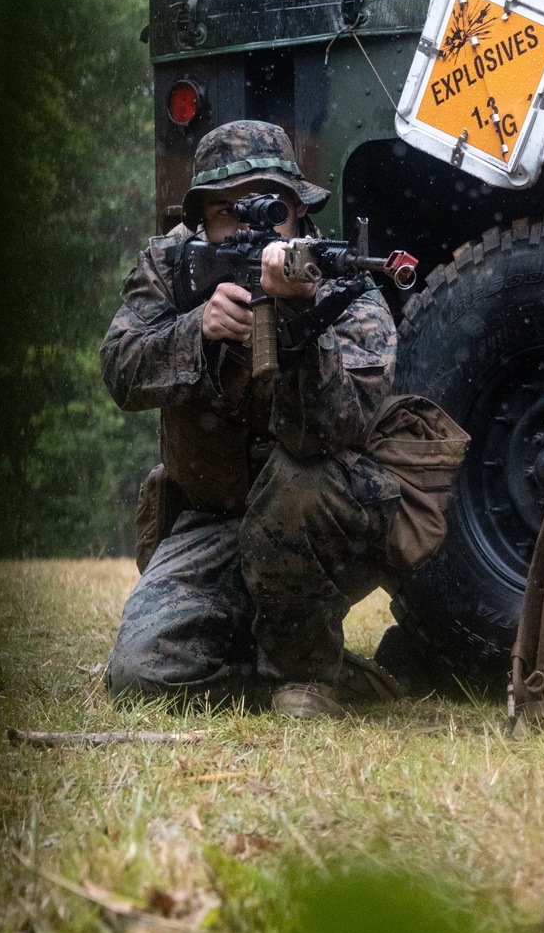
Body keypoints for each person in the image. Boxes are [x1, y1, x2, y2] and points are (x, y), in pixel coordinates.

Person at [101, 120, 403, 718]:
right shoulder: (170, 268)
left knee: (297, 481)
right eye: (229, 212)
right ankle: (283, 672)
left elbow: (331, 430)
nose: (253, 228)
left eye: (272, 209)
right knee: (139, 675)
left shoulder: (346, 289)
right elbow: (120, 367)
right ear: (200, 222)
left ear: (298, 213)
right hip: (212, 520)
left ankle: (305, 675)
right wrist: (197, 332)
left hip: (324, 518)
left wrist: (300, 322)